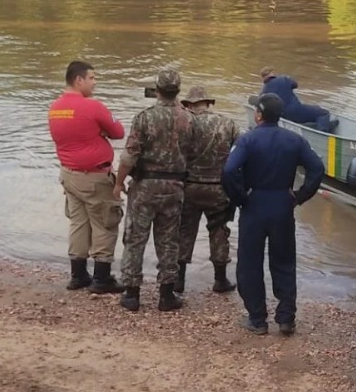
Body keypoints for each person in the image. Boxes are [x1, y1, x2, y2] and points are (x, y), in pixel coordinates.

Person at [222, 92, 325, 335]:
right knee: (284, 262)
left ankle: (257, 319)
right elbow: (317, 168)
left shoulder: (248, 140)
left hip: (254, 203)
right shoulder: (294, 140)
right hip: (282, 204)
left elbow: (229, 170)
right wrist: (300, 196)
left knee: (249, 263)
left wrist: (239, 197)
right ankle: (286, 318)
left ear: (258, 115)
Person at [113, 68, 192, 313]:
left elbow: (130, 155)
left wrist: (118, 182)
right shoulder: (189, 118)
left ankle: (131, 294)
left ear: (157, 90)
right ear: (178, 91)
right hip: (175, 186)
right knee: (169, 241)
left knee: (136, 238)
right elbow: (193, 153)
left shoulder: (144, 117)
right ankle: (167, 295)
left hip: (146, 186)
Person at [49, 60, 125, 293]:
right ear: (78, 80)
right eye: (91, 78)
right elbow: (119, 132)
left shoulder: (55, 108)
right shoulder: (93, 107)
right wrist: (100, 131)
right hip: (94, 177)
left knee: (78, 224)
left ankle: (78, 275)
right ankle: (102, 278)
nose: (95, 82)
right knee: (104, 223)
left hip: (69, 174)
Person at [178, 85, 240, 295]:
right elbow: (241, 152)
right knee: (219, 231)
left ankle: (178, 281)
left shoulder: (184, 124)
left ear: (188, 105)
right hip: (219, 187)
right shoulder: (228, 123)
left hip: (190, 186)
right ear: (209, 103)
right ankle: (220, 280)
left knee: (185, 231)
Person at [259, 67, 338, 133]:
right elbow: (295, 85)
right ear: (272, 73)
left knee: (308, 115)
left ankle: (321, 126)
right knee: (323, 113)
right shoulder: (283, 79)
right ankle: (323, 133)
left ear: (263, 77)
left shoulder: (263, 91)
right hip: (296, 110)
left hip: (282, 116)